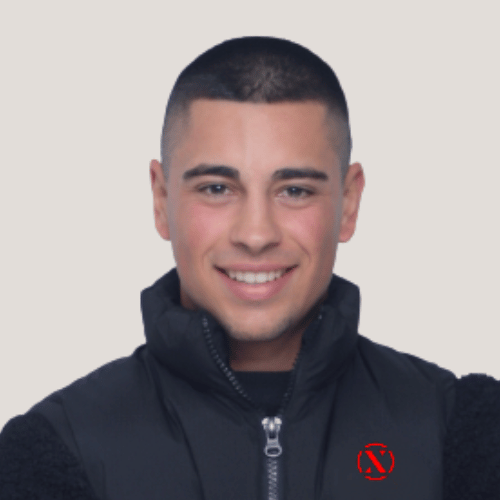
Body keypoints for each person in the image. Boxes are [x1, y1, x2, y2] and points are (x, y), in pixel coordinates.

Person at [0, 36, 499, 500]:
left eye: (295, 190)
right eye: (217, 188)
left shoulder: (464, 435)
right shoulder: (57, 450)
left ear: (348, 203)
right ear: (161, 199)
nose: (256, 234)